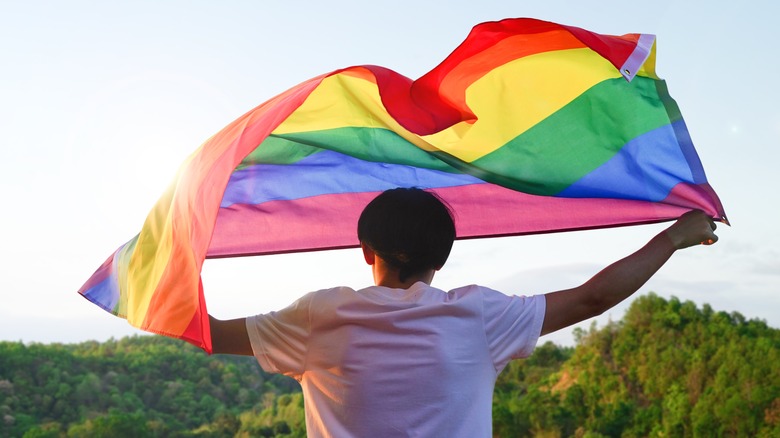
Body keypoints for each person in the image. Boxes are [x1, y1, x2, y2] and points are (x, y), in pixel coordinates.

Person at [208, 187, 718, 437]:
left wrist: (143, 285)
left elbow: (207, 333)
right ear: (443, 256)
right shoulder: (477, 317)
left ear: (366, 250)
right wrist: (672, 238)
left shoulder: (319, 316)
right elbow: (592, 297)